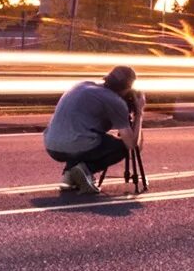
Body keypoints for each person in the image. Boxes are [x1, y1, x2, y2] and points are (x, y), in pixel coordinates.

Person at [44, 65, 141, 193]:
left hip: (51, 146)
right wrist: (139, 113)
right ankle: (85, 170)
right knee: (120, 147)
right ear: (127, 88)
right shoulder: (115, 101)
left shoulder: (82, 85)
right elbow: (131, 144)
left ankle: (69, 175)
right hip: (74, 145)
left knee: (86, 137)